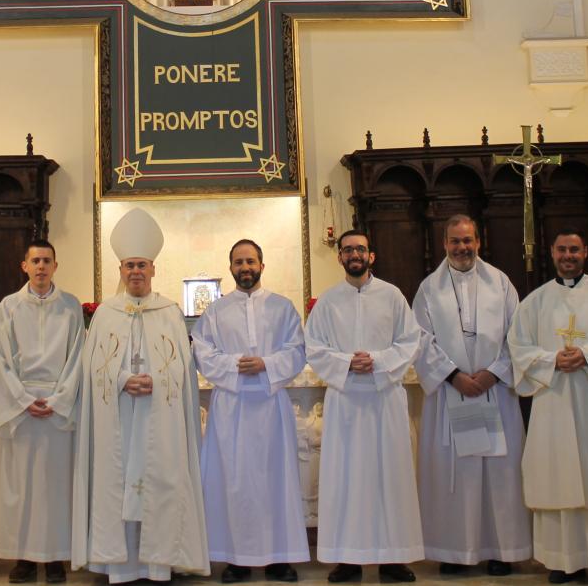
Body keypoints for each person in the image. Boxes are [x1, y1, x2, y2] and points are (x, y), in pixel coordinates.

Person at [71, 208, 209, 583]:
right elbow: (92, 368)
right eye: (129, 264)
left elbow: (182, 369)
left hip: (157, 418)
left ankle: (159, 562)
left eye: (142, 265)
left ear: (153, 269)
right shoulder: (105, 314)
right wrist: (121, 380)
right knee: (116, 482)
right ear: (120, 270)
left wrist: (157, 383)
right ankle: (117, 564)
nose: (135, 271)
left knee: (161, 481)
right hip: (117, 418)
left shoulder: (169, 313)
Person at [508, 230, 588, 586]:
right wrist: (553, 359)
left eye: (574, 250)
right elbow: (518, 350)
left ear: (586, 252)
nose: (568, 255)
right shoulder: (534, 303)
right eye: (562, 249)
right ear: (552, 253)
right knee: (558, 476)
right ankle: (563, 561)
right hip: (554, 406)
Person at [413, 215, 530, 577]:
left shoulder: (501, 283)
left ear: (478, 241)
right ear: (444, 243)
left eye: (468, 240)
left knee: (499, 472)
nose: (462, 247)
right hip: (451, 395)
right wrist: (453, 376)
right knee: (455, 473)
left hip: (495, 393)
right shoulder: (429, 289)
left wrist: (495, 373)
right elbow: (420, 339)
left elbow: (519, 334)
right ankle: (454, 550)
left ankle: (501, 549)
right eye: (455, 241)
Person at [304, 229, 423, 583]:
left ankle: (393, 557)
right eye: (347, 250)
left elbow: (409, 340)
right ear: (340, 257)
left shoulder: (392, 296)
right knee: (346, 477)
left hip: (384, 397)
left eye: (360, 249)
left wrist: (377, 360)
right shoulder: (327, 302)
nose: (354, 254)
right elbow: (314, 346)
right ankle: (347, 558)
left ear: (372, 256)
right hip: (346, 400)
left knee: (391, 474)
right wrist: (346, 362)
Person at [193, 238, 310, 583]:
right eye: (239, 262)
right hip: (231, 407)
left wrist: (266, 364)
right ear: (230, 268)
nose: (245, 267)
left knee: (277, 480)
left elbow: (297, 350)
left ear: (262, 265)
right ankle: (236, 559)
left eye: (251, 261)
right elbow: (202, 352)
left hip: (271, 406)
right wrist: (235, 364)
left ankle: (279, 557)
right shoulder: (215, 311)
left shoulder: (283, 307)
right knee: (235, 482)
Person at [0, 239, 86, 584]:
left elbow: (78, 358)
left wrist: (60, 399)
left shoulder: (71, 306)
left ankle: (56, 558)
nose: (41, 267)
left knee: (55, 488)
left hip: (57, 409)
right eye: (36, 261)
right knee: (20, 489)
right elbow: (0, 360)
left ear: (55, 266)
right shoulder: (8, 307)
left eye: (47, 261)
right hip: (22, 409)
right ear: (24, 266)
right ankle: (24, 559)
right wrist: (21, 400)